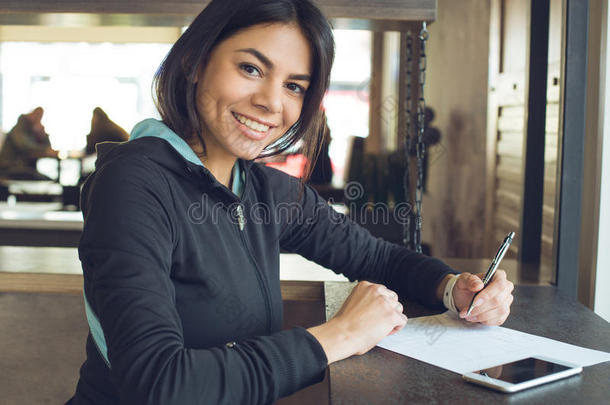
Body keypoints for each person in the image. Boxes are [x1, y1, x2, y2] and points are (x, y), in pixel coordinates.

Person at [67, 1, 514, 404]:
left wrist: (453, 287)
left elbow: (376, 256)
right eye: (251, 68)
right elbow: (160, 384)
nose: (270, 102)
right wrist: (338, 337)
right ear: (193, 62)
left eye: (295, 86)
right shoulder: (132, 184)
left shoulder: (262, 189)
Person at [0, 106, 58, 180]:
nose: (38, 118)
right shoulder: (19, 128)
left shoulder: (33, 131)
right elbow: (24, 146)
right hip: (10, 168)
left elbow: (48, 148)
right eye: (36, 115)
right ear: (30, 114)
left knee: (48, 180)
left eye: (40, 116)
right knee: (46, 180)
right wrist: (44, 151)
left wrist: (43, 136)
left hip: (23, 168)